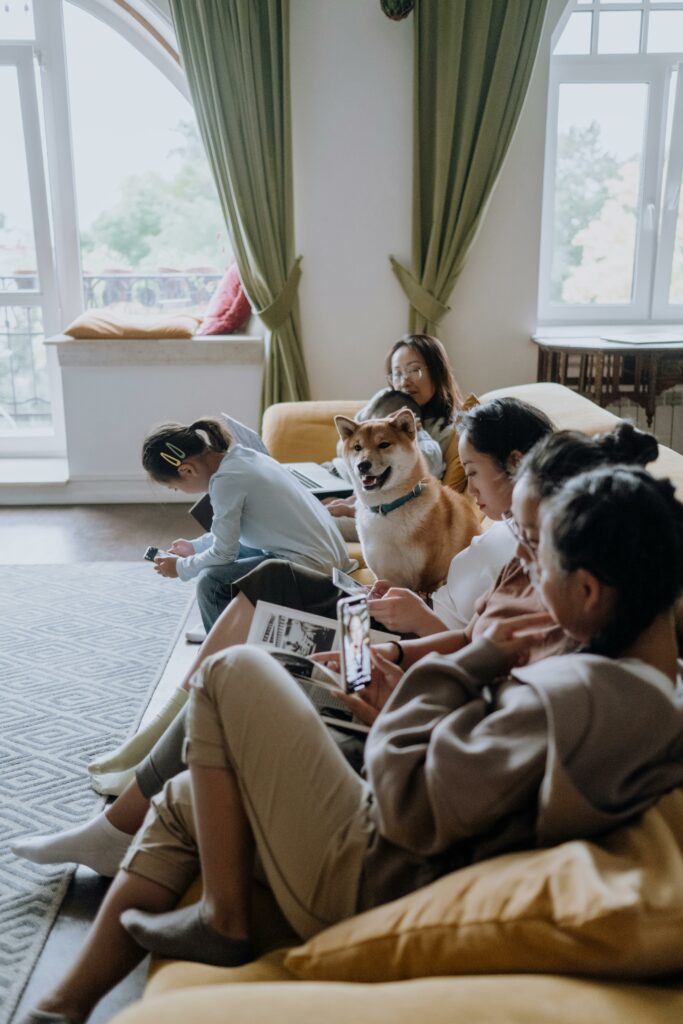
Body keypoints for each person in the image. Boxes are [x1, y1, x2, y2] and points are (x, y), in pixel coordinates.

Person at [19, 466, 683, 1023]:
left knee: (234, 673)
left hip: (372, 871)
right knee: (190, 793)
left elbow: (405, 807)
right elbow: (469, 772)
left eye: (544, 567)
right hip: (397, 846)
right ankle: (58, 1009)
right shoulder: (637, 689)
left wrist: (458, 667)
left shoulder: (583, 695)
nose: (532, 578)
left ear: (589, 591)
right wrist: (438, 683)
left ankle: (224, 921)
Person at [12, 396, 555, 871]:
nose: (470, 488)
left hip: (405, 664)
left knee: (238, 667)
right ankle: (159, 742)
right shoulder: (511, 537)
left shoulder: (526, 549)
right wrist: (406, 616)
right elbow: (474, 635)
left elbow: (478, 649)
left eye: (475, 472)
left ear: (517, 465)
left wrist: (406, 632)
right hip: (392, 632)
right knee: (272, 578)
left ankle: (127, 806)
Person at [140, 416, 353, 633]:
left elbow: (224, 554)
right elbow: (234, 536)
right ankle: (229, 627)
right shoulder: (244, 457)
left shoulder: (225, 482)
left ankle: (224, 647)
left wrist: (181, 567)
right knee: (235, 551)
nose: (179, 492)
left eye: (176, 488)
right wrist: (195, 548)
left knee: (211, 582)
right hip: (331, 557)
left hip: (314, 569)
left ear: (187, 471)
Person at [325, 333, 463, 523]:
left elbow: (425, 478)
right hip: (337, 474)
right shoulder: (386, 398)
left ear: (437, 371)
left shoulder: (446, 429)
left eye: (414, 370)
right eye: (397, 373)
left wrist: (408, 434)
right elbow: (342, 447)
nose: (404, 381)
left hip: (376, 498)